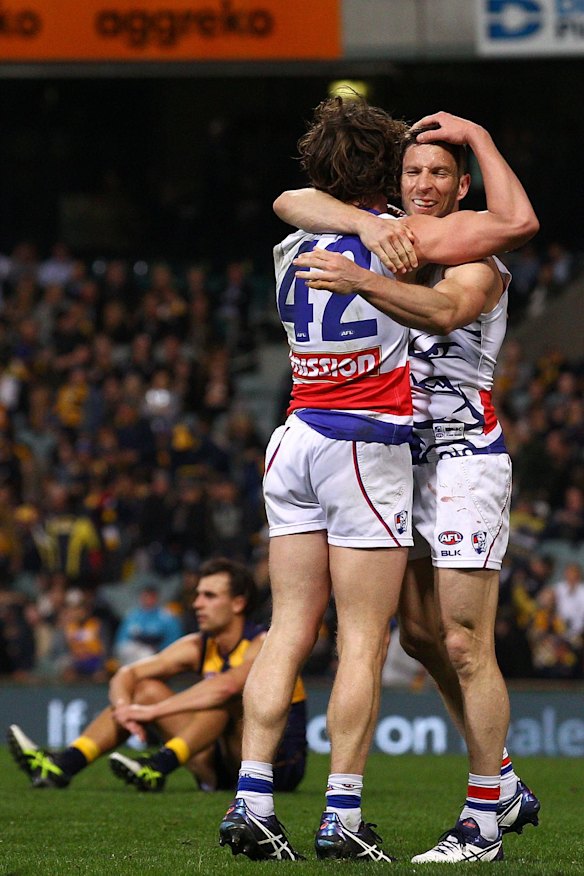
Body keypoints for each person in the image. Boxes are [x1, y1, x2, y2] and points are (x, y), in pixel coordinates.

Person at [218, 97, 537, 863]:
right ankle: (500, 778)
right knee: (419, 637)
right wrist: (364, 229)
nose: (424, 184)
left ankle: (484, 812)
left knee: (460, 639)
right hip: (391, 455)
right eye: (412, 171)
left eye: (440, 173)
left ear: (462, 186)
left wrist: (478, 137)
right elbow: (293, 199)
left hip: (458, 456)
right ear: (393, 179)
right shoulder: (385, 229)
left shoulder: (464, 246)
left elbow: (496, 248)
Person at [8, 557, 307, 795]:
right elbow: (127, 672)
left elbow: (226, 687)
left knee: (225, 698)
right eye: (197, 595)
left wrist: (152, 713)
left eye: (209, 596)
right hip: (225, 762)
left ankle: (158, 765)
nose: (197, 603)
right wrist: (125, 708)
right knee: (145, 689)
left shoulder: (264, 643)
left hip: (276, 767)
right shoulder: (199, 645)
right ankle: (62, 765)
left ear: (238, 603)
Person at [113, 583, 183, 665]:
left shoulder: (166, 617)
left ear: (156, 598)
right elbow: (121, 640)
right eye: (145, 596)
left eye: (150, 597)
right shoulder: (133, 615)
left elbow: (174, 641)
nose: (147, 599)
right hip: (133, 651)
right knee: (129, 652)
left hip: (156, 653)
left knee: (145, 654)